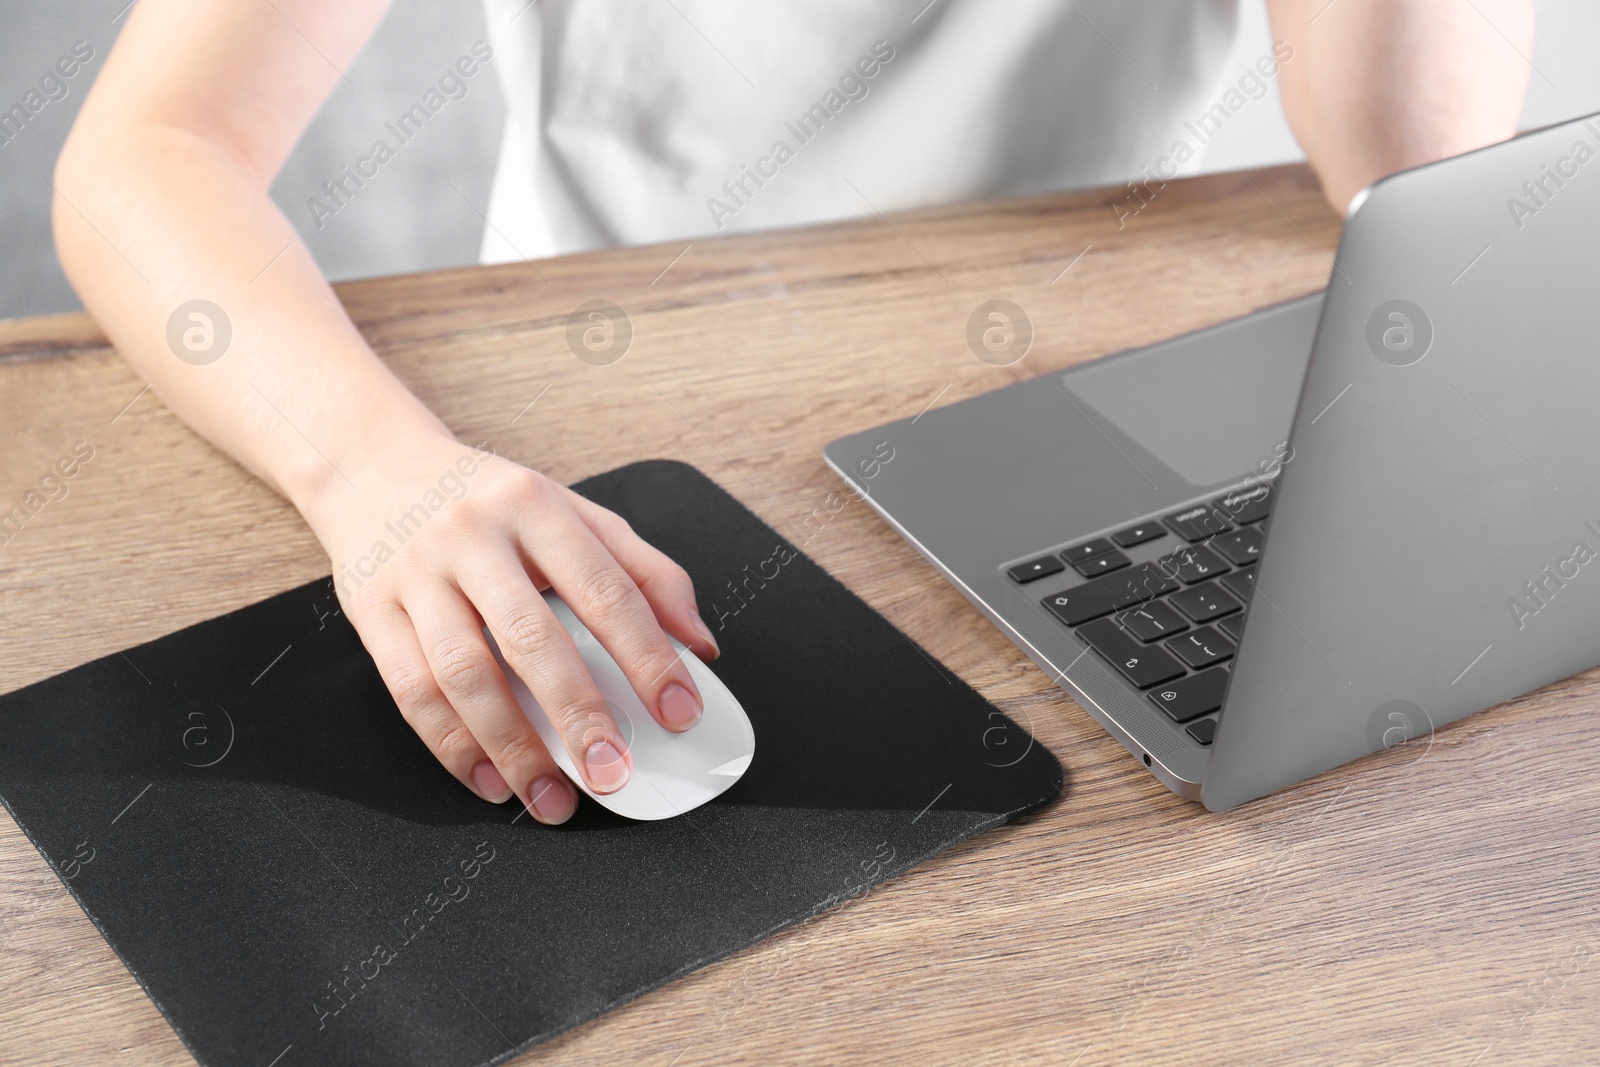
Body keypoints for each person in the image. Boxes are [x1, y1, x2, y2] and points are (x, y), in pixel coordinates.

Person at [53, 0, 1533, 824]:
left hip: (1112, 374)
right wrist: (377, 474)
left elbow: (1406, 161)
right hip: (623, 397)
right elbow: (150, 153)